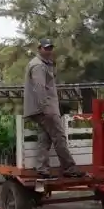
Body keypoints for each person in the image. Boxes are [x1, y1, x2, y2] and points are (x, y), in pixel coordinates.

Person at [23, 38, 84, 179]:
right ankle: (70, 168)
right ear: (39, 49)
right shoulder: (38, 66)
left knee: (45, 138)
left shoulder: (43, 64)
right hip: (45, 108)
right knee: (59, 137)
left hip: (41, 109)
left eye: (50, 48)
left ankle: (42, 169)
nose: (49, 50)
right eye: (46, 48)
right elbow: (40, 88)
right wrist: (46, 108)